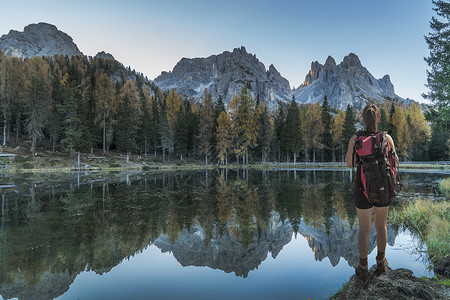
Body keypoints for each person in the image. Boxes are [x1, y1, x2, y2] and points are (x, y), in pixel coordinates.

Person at [345, 103, 398, 279]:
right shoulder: (387, 138)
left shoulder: (356, 138)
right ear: (378, 119)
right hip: (384, 188)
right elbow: (395, 162)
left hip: (363, 189)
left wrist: (351, 145)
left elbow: (349, 163)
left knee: (364, 229)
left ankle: (363, 266)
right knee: (381, 226)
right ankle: (381, 263)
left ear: (362, 119)